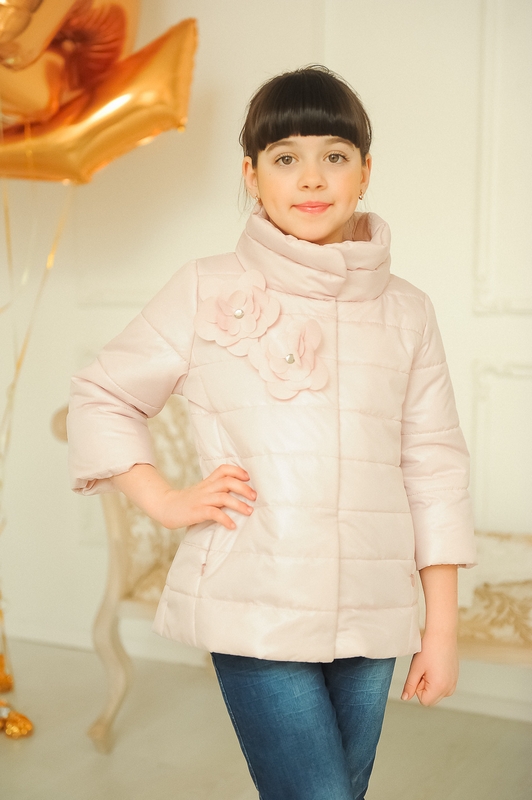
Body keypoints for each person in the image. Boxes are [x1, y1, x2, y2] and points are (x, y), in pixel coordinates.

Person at [68, 66, 477, 800]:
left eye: (334, 155)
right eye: (286, 157)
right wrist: (164, 499)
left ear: (365, 172)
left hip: (375, 609)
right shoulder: (206, 287)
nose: (311, 177)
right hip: (253, 600)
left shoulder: (408, 311)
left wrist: (440, 630)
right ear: (251, 175)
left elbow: (434, 464)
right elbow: (103, 394)